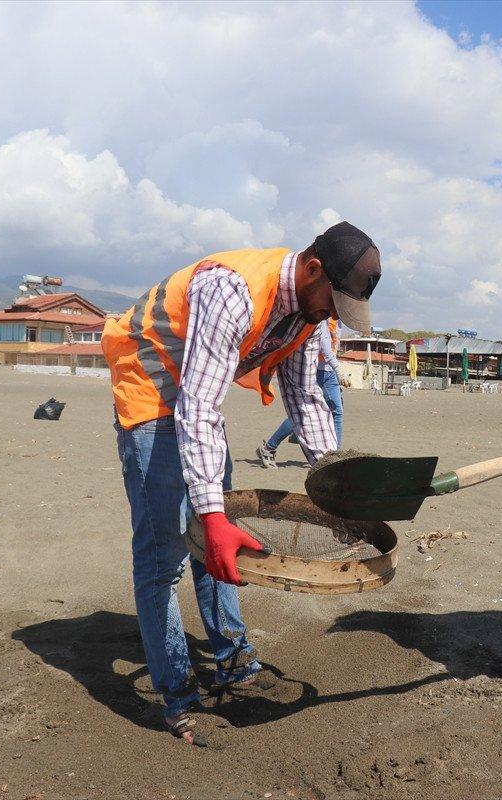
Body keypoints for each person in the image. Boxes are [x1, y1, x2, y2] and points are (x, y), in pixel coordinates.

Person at [102, 222, 382, 746]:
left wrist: (334, 479)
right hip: (150, 379)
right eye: (333, 301)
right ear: (312, 268)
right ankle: (176, 694)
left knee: (218, 546)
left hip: (194, 394)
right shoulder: (232, 290)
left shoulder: (308, 310)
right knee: (164, 553)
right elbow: (198, 406)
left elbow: (306, 400)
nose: (331, 314)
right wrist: (210, 514)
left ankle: (233, 661)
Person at [257, 318, 350, 467]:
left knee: (336, 412)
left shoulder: (339, 320)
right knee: (303, 412)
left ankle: (334, 456)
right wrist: (338, 368)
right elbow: (323, 345)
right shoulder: (325, 315)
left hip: (329, 371)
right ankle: (269, 447)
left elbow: (334, 345)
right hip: (317, 369)